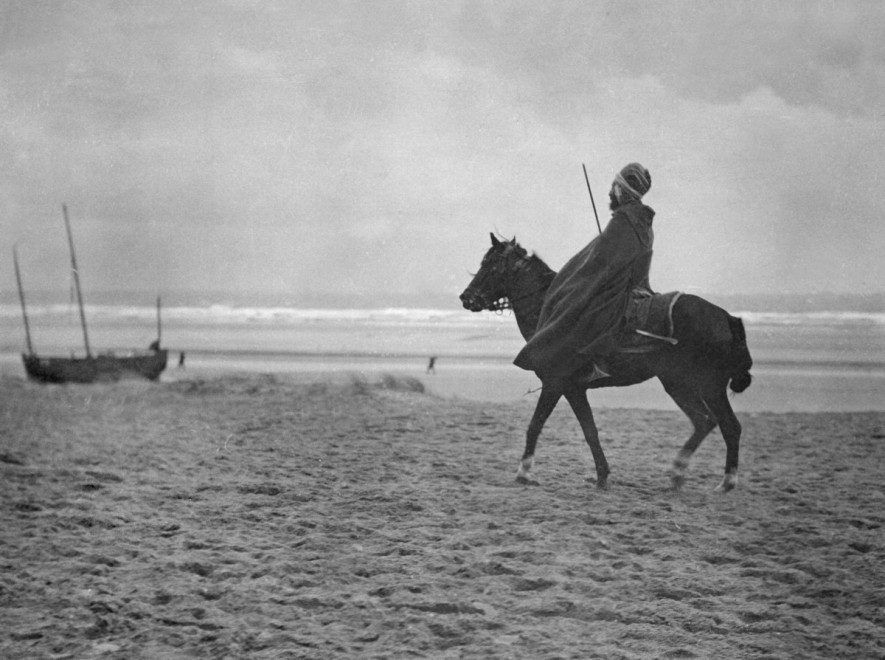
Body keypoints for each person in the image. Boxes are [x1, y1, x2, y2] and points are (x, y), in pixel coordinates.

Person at [513, 162, 655, 382]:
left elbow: (600, 262)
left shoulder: (624, 220)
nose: (611, 191)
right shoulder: (642, 219)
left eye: (615, 186)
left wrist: (574, 278)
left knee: (581, 308)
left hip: (619, 286)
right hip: (634, 283)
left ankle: (590, 364)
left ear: (622, 191)